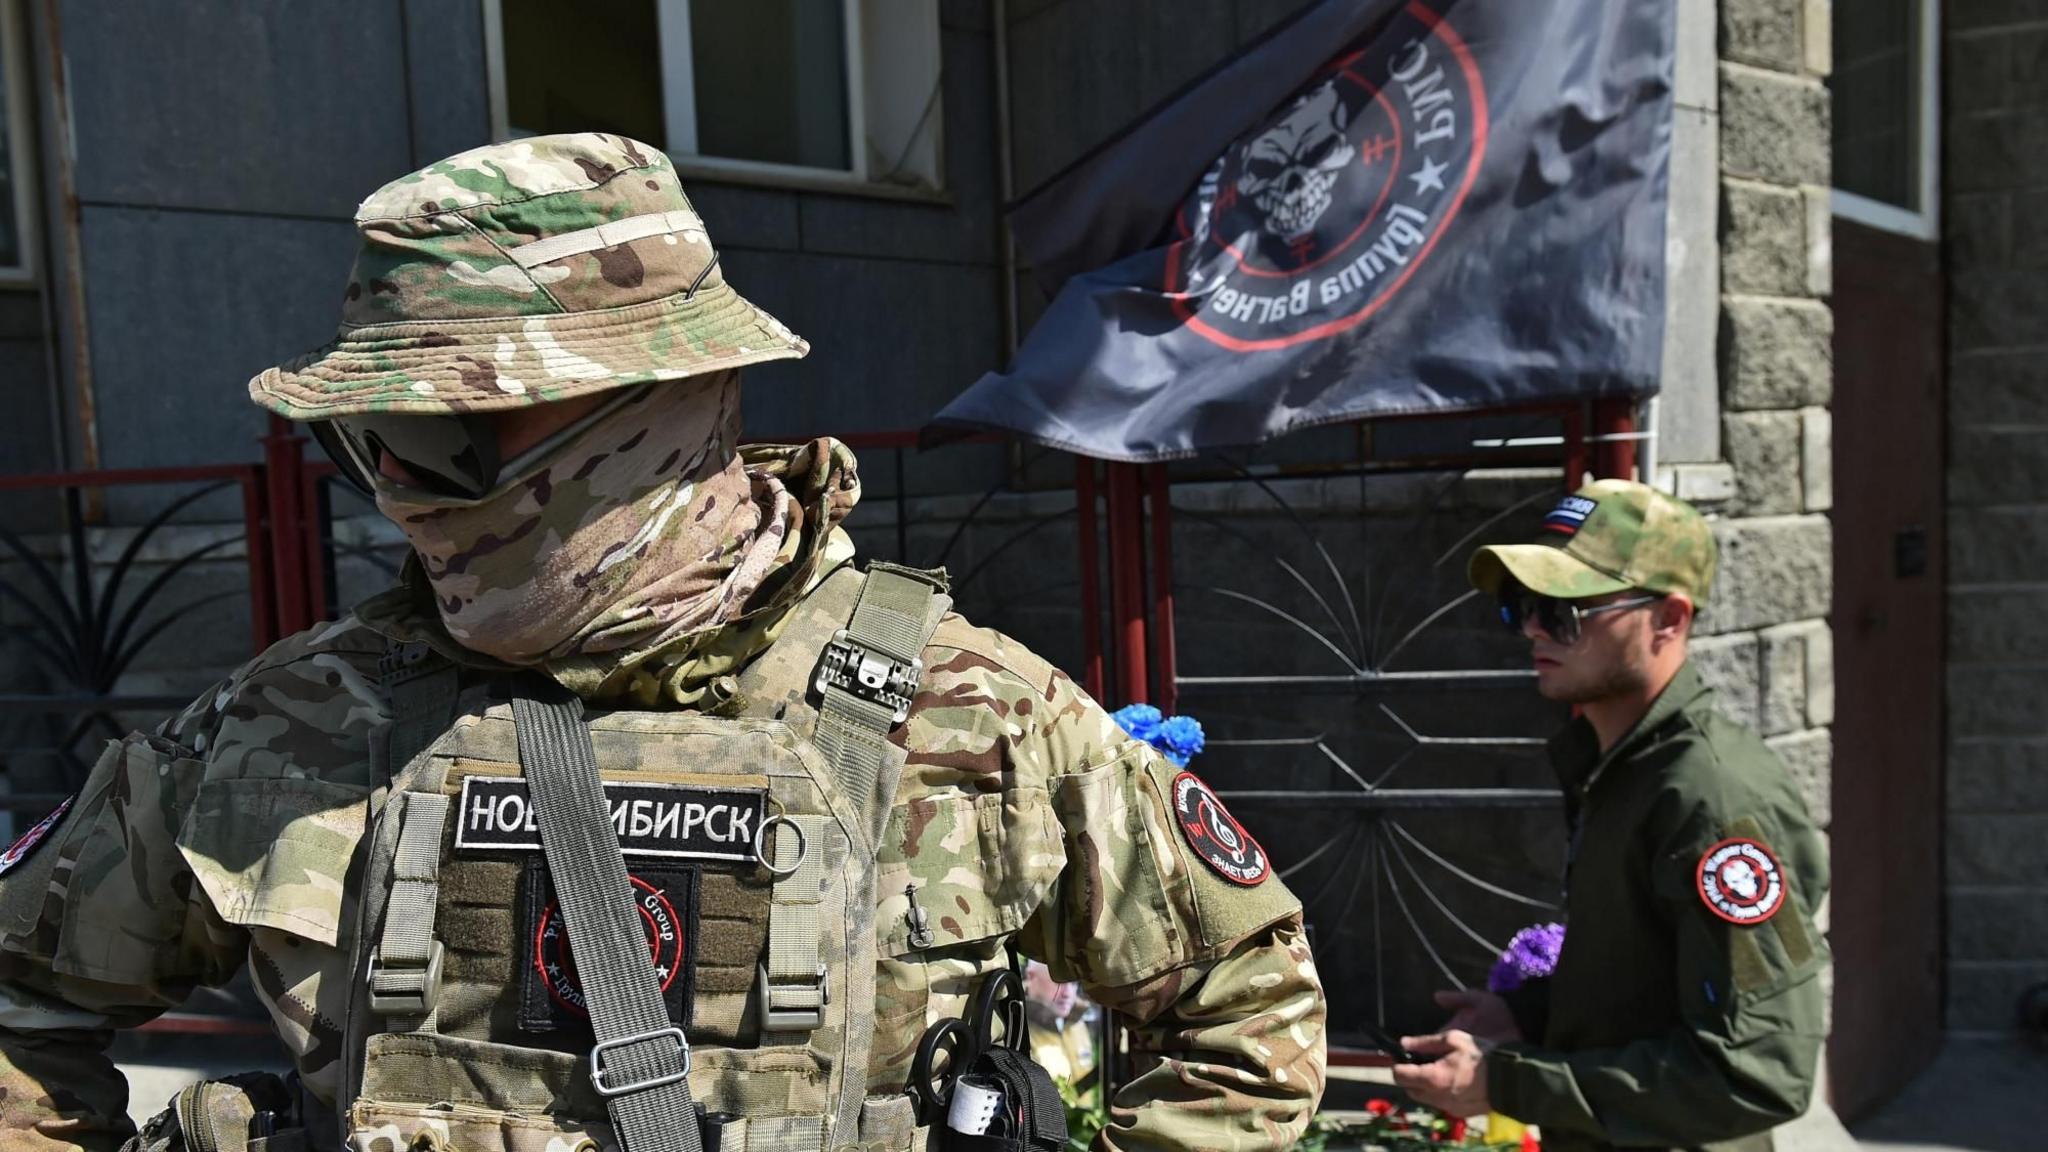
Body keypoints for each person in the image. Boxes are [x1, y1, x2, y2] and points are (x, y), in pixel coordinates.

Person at [0, 134, 1326, 1152]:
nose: (400, 492)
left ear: (667, 415)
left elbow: (1244, 1001)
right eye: (366, 441)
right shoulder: (289, 727)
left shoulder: (974, 718)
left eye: (445, 438)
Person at [1392, 479, 1828, 1152]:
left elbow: (1756, 1074)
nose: (1536, 627)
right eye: (1524, 605)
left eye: (1568, 610)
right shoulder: (1624, 767)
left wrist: (1508, 1082)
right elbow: (1648, 982)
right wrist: (1528, 1013)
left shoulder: (1712, 798)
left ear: (1669, 620)